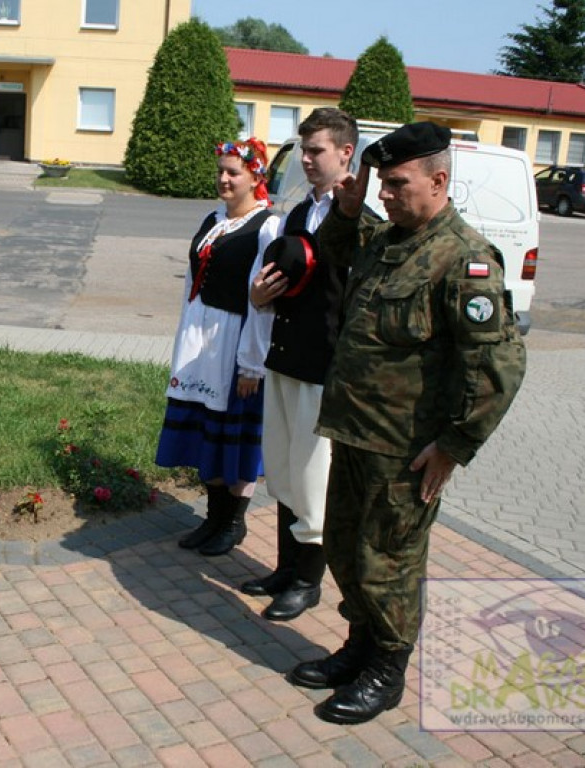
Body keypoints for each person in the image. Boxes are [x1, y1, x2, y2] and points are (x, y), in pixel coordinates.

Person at [288, 122, 526, 724]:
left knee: (388, 559)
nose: (385, 195)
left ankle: (387, 671)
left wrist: (454, 444)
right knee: (345, 546)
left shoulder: (464, 258)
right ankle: (360, 648)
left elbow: (497, 364)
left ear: (438, 181)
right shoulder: (388, 241)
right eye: (382, 185)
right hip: (355, 432)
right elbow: (344, 249)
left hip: (407, 451)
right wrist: (347, 209)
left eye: (397, 184)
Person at [243, 108, 357, 623]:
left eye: (317, 151)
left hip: (324, 369)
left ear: (345, 154)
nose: (306, 160)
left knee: (314, 479)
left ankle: (309, 582)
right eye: (304, 150)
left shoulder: (357, 221)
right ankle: (286, 568)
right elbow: (278, 285)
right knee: (285, 470)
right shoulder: (294, 216)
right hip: (285, 358)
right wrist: (261, 298)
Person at [156, 138, 281, 557]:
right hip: (202, 343)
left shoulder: (267, 228)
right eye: (221, 172)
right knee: (205, 434)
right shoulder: (212, 219)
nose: (224, 179)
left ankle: (233, 522)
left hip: (237, 344)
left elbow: (264, 301)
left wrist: (252, 363)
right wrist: (184, 338)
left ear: (255, 177)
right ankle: (212, 518)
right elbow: (192, 288)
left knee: (236, 439)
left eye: (234, 173)